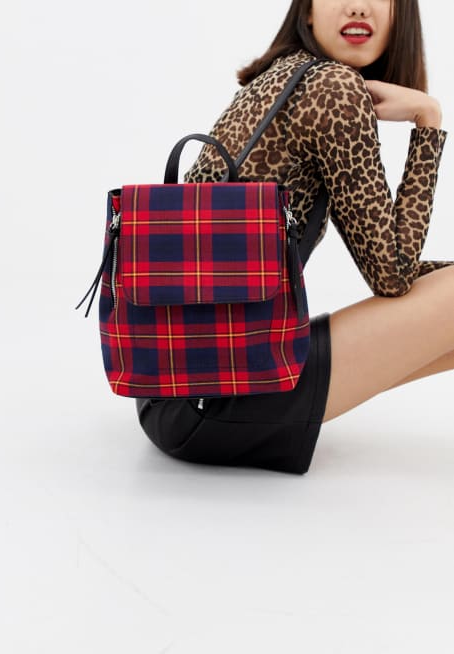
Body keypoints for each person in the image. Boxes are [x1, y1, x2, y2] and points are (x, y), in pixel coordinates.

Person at [135, 0, 454, 474]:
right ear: (306, 11)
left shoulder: (285, 77)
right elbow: (391, 277)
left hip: (174, 391)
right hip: (225, 394)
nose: (358, 6)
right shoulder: (333, 87)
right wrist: (428, 119)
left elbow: (388, 267)